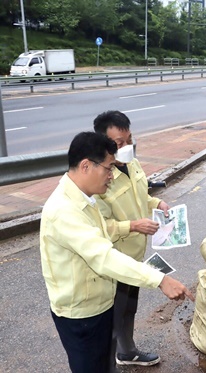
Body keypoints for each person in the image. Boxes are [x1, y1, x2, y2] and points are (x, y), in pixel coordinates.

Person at [39, 131, 194, 373]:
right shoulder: (64, 211)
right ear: (86, 166)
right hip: (81, 315)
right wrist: (160, 279)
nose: (112, 176)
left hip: (100, 302)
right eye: (108, 168)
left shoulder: (85, 197)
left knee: (104, 363)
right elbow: (103, 256)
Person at [93, 110, 170, 367]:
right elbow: (99, 227)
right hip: (115, 262)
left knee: (129, 308)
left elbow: (141, 196)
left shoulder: (132, 163)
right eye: (119, 144)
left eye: (129, 139)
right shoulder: (99, 178)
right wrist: (134, 225)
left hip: (136, 257)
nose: (126, 147)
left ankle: (126, 351)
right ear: (103, 144)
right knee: (113, 314)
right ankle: (111, 360)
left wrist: (156, 202)